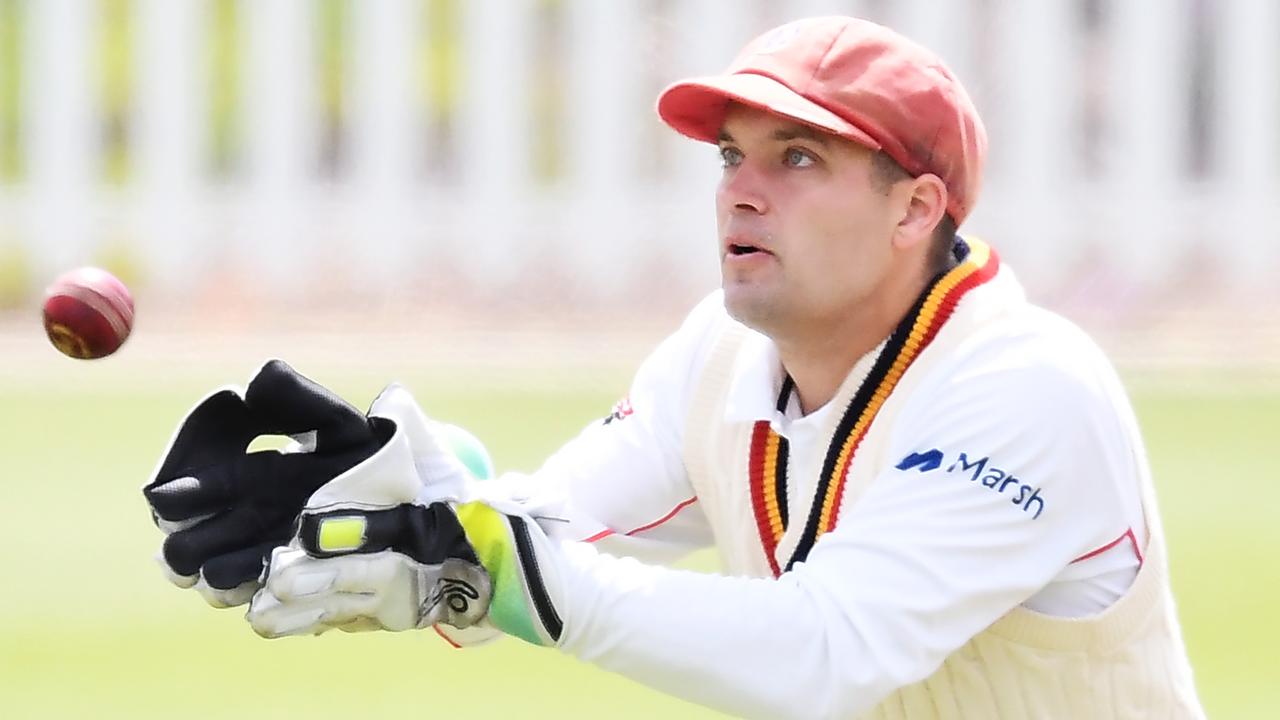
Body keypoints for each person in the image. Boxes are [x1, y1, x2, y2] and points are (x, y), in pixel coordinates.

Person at [143, 16, 1205, 719]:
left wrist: (497, 564)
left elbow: (823, 655)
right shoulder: (720, 351)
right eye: (730, 156)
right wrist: (409, 510)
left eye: (798, 159)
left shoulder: (1024, 389)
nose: (741, 191)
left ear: (914, 208)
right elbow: (547, 528)